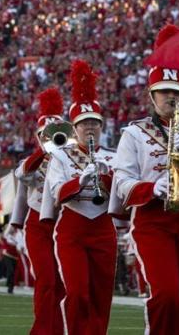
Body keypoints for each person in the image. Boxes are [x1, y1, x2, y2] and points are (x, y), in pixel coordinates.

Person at [111, 24, 179, 333]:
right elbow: (122, 180)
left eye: (177, 92)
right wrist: (151, 187)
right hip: (153, 221)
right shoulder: (133, 133)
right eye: (165, 92)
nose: (171, 97)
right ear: (151, 94)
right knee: (167, 295)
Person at [43, 62, 115, 335]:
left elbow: (122, 198)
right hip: (73, 227)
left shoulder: (112, 155)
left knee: (100, 296)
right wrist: (81, 180)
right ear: (74, 129)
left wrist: (107, 177)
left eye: (95, 123)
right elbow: (57, 193)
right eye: (84, 124)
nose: (90, 129)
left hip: (102, 228)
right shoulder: (60, 156)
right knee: (78, 293)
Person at [9, 86, 66, 334]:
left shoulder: (70, 158)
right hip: (38, 224)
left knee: (63, 282)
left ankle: (60, 327)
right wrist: (16, 222)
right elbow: (23, 177)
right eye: (46, 134)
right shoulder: (31, 160)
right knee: (46, 279)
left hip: (63, 222)